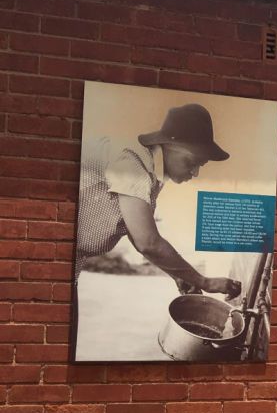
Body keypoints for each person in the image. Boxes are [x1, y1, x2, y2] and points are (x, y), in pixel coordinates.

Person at [75, 103, 242, 299]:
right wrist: (204, 282)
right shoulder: (131, 162)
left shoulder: (151, 173)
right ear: (170, 146)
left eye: (200, 165)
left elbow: (135, 232)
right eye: (191, 162)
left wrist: (178, 275)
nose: (195, 172)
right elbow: (147, 242)